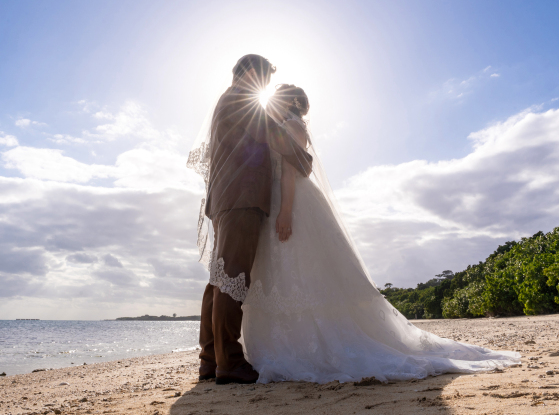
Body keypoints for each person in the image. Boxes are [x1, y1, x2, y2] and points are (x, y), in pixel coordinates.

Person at [240, 84, 521, 383]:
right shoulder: (280, 126)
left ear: (291, 102)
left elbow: (291, 172)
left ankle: (312, 348)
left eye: (279, 96)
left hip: (293, 202)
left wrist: (285, 212)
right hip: (277, 202)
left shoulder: (292, 126)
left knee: (305, 271)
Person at [187, 55, 313, 385]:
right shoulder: (242, 99)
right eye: (266, 79)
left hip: (225, 198)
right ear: (253, 75)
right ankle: (228, 360)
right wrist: (305, 159)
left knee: (219, 278)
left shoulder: (227, 100)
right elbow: (275, 137)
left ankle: (209, 359)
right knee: (232, 276)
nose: (267, 87)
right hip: (242, 197)